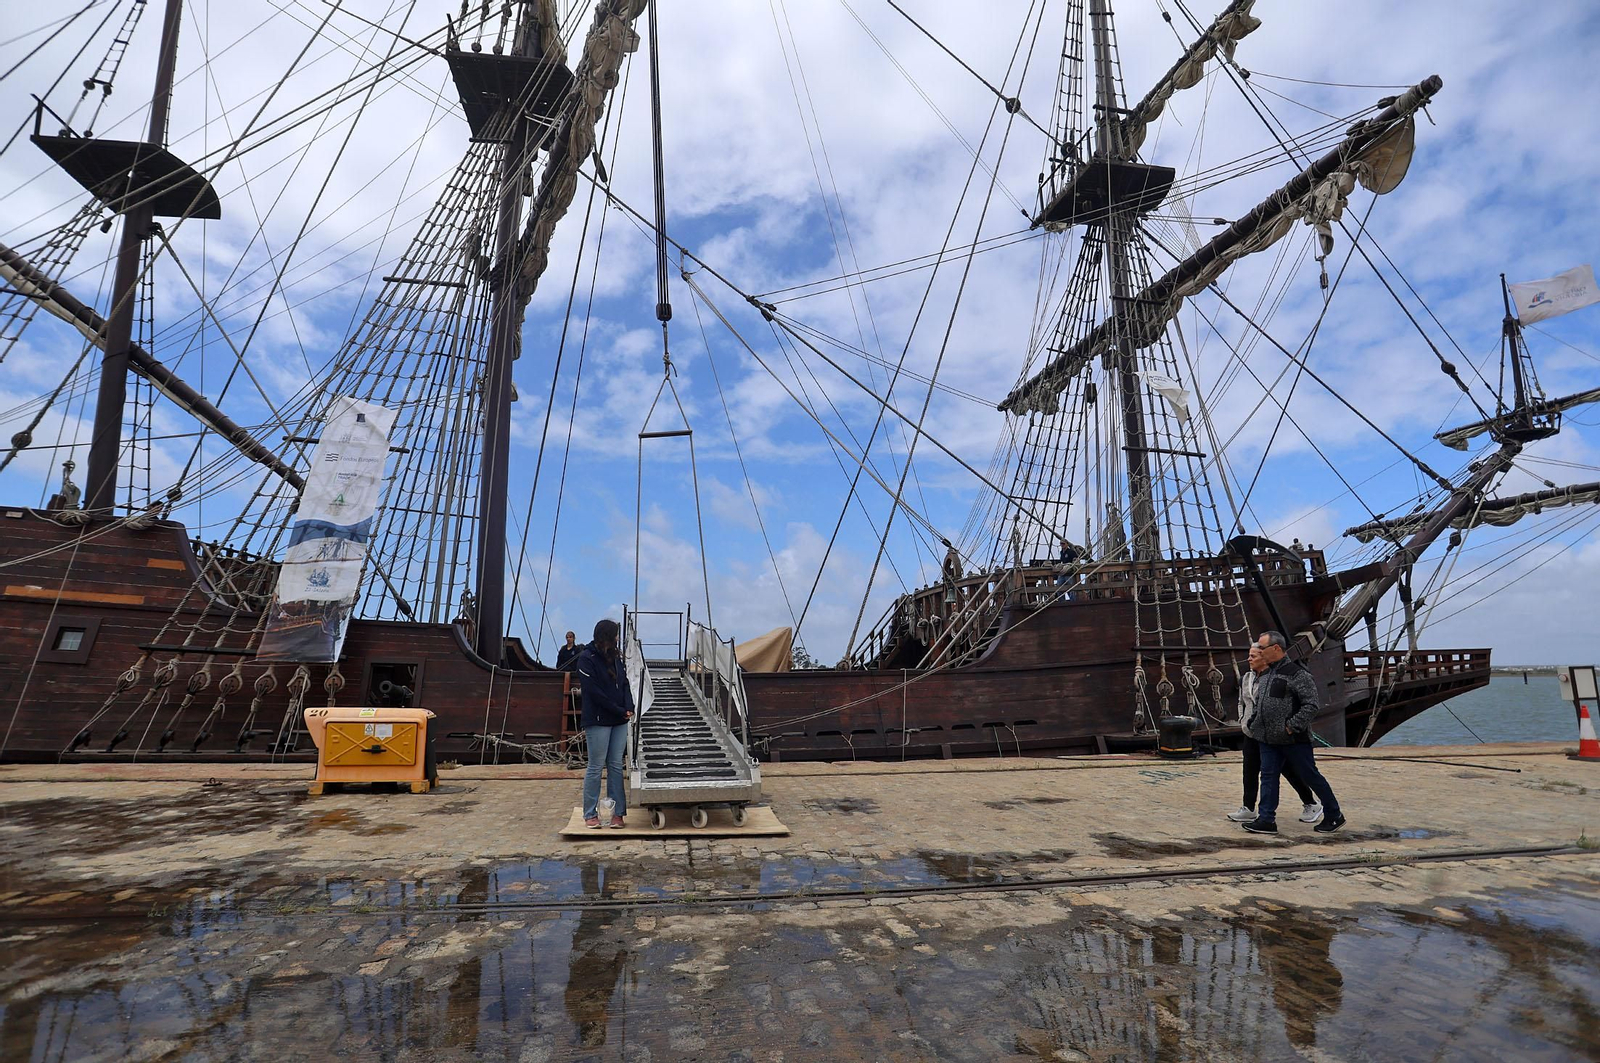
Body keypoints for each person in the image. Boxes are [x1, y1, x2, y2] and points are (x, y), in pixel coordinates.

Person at [1241, 631, 1345, 834]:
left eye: (1262, 648)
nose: (1259, 652)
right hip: (1267, 739)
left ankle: (1334, 815)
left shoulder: (1297, 674)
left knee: (1310, 776)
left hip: (1293, 739)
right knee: (1268, 778)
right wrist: (1255, 723)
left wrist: (1291, 726)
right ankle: (1266, 820)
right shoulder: (1267, 674)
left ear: (1276, 649)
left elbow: (1311, 705)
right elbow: (1261, 704)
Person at [1228, 641, 1322, 824]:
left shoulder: (1273, 677)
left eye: (1253, 656)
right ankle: (1248, 808)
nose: (1248, 659)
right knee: (1249, 770)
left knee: (1288, 770)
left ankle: (1311, 803)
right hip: (1251, 732)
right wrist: (1243, 721)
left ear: (1264, 659)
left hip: (1271, 733)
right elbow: (1243, 702)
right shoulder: (1246, 678)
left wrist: (1288, 726)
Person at [576, 618, 635, 829]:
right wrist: (619, 710)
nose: (619, 638)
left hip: (619, 719)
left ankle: (618, 813)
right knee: (595, 766)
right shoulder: (586, 659)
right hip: (599, 720)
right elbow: (594, 692)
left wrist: (629, 706)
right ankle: (589, 813)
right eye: (616, 635)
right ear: (607, 636)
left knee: (616, 766)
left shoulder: (615, 659)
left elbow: (625, 683)